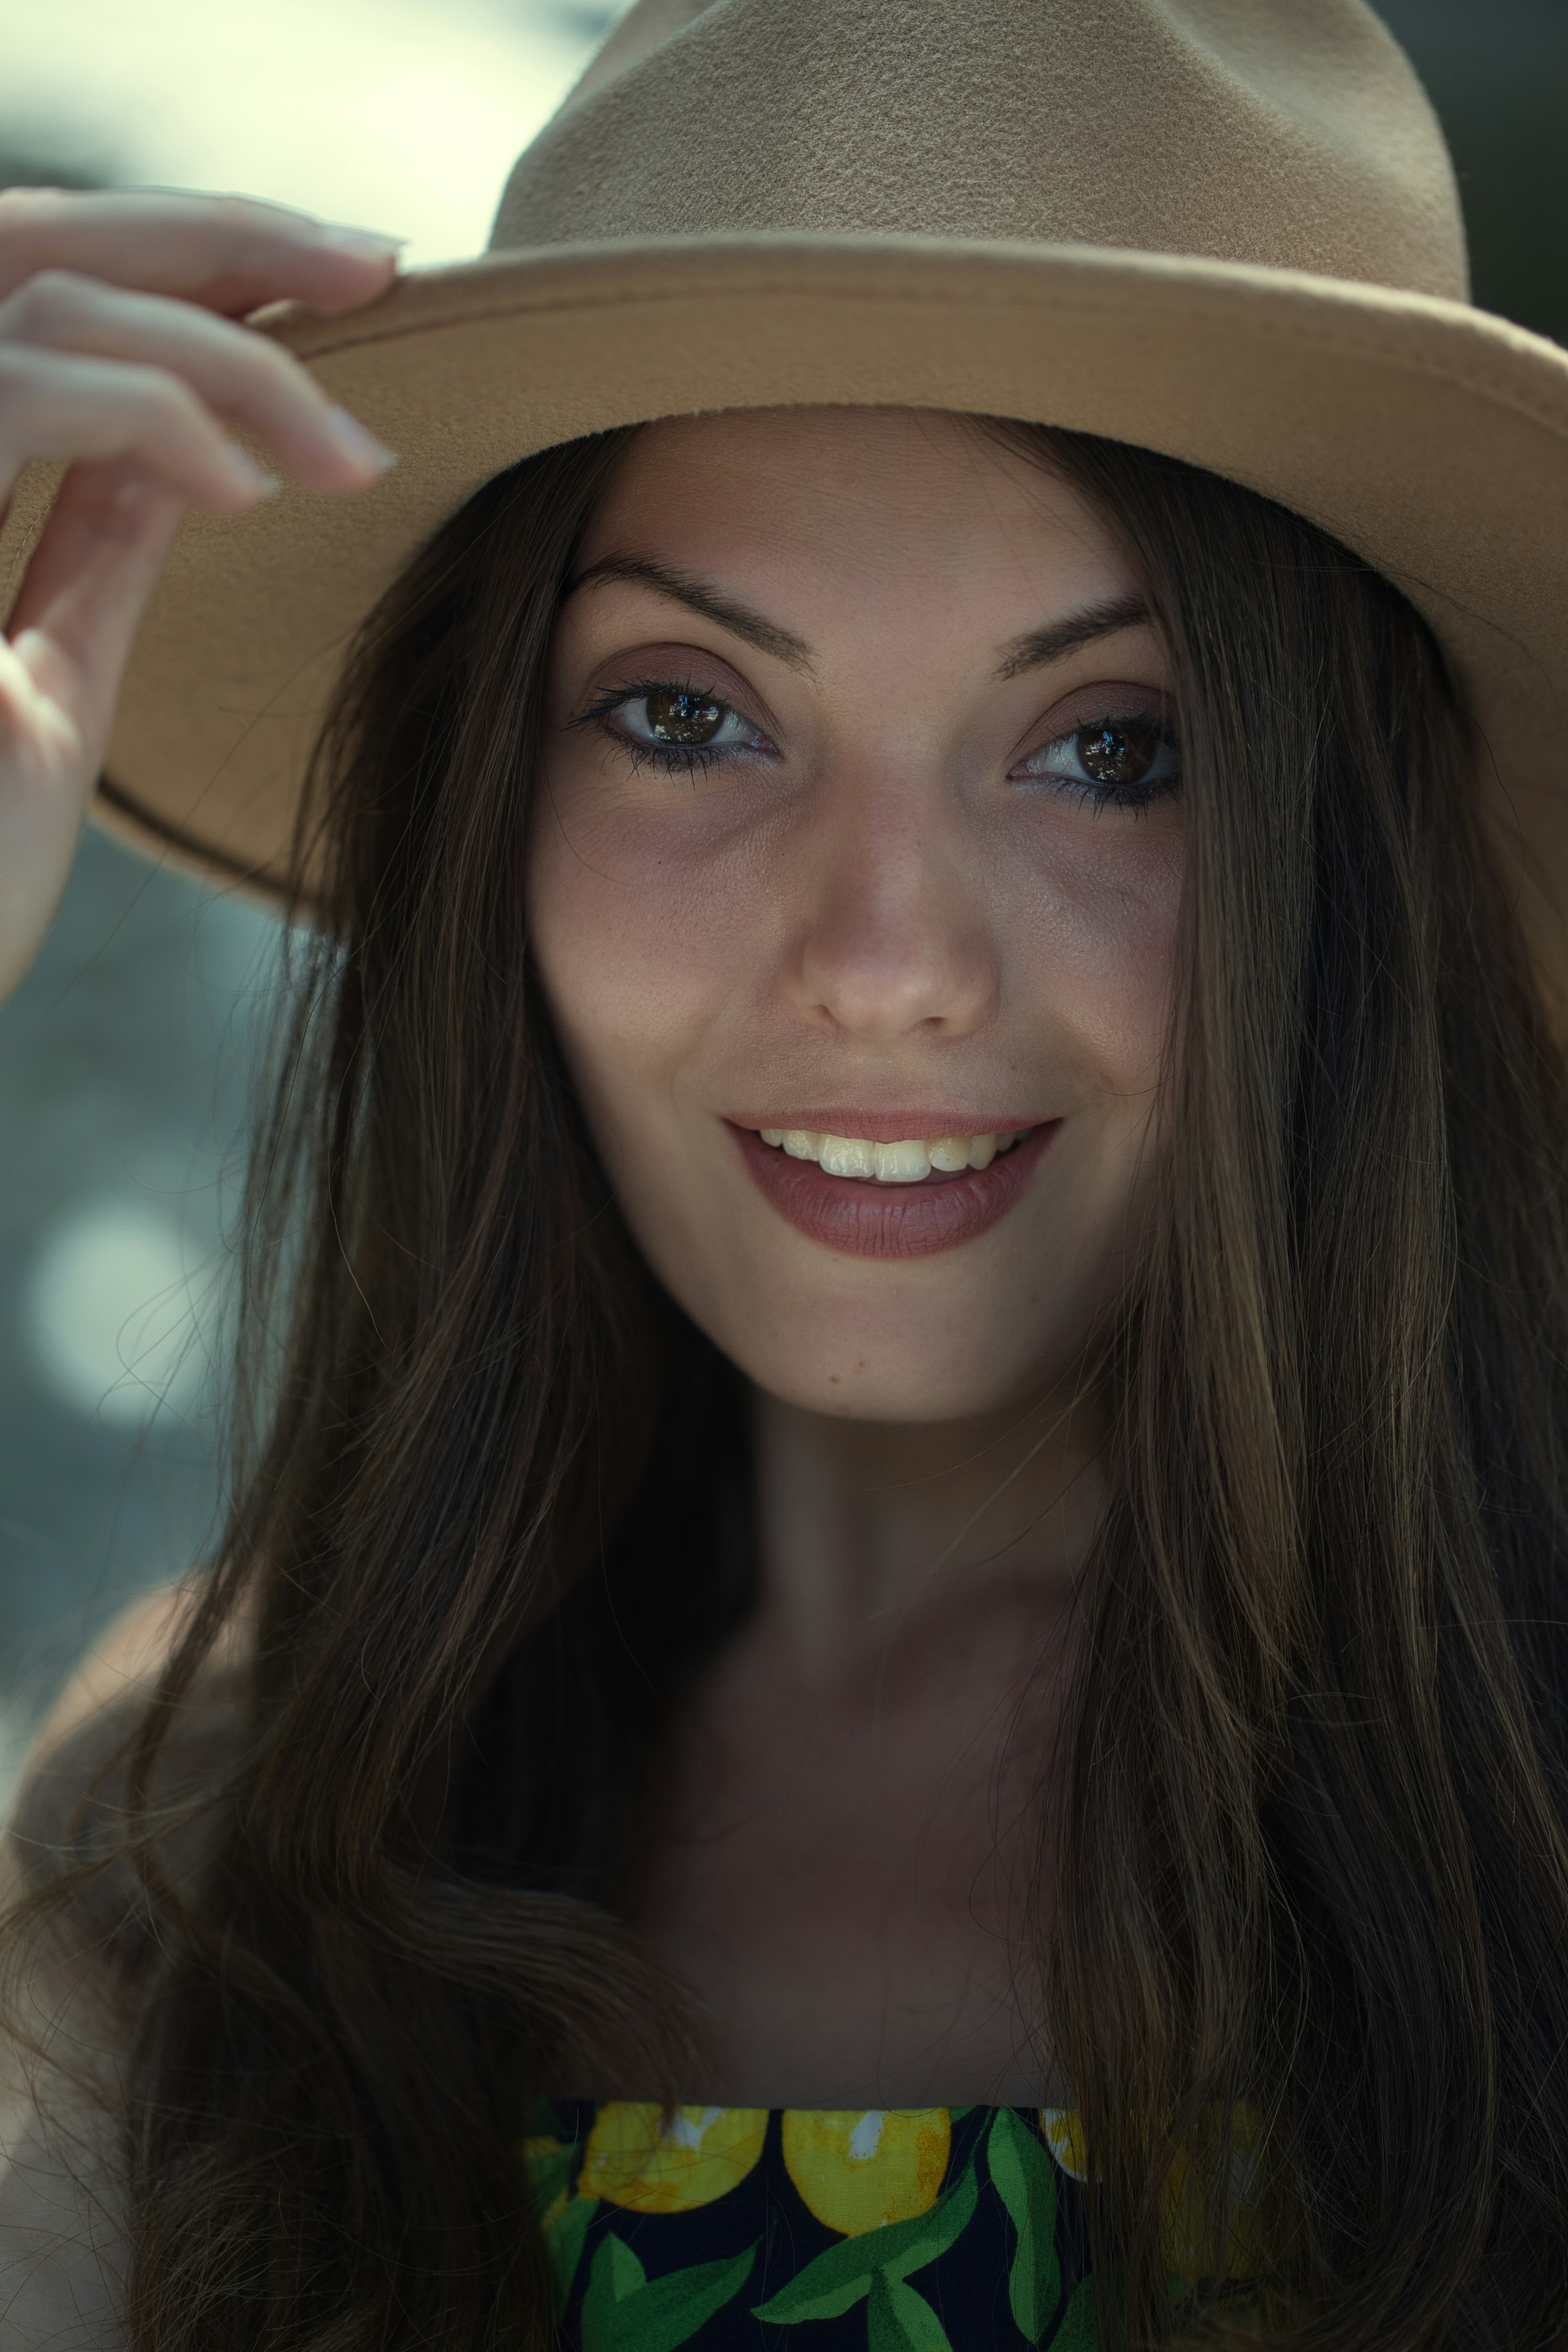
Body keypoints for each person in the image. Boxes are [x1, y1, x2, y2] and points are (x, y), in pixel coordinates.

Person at [3, 0, 1568, 2344]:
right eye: (684, 716)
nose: (884, 964)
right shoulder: (197, 1843)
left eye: (1111, 750)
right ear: (494, 819)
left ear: (1357, 864)